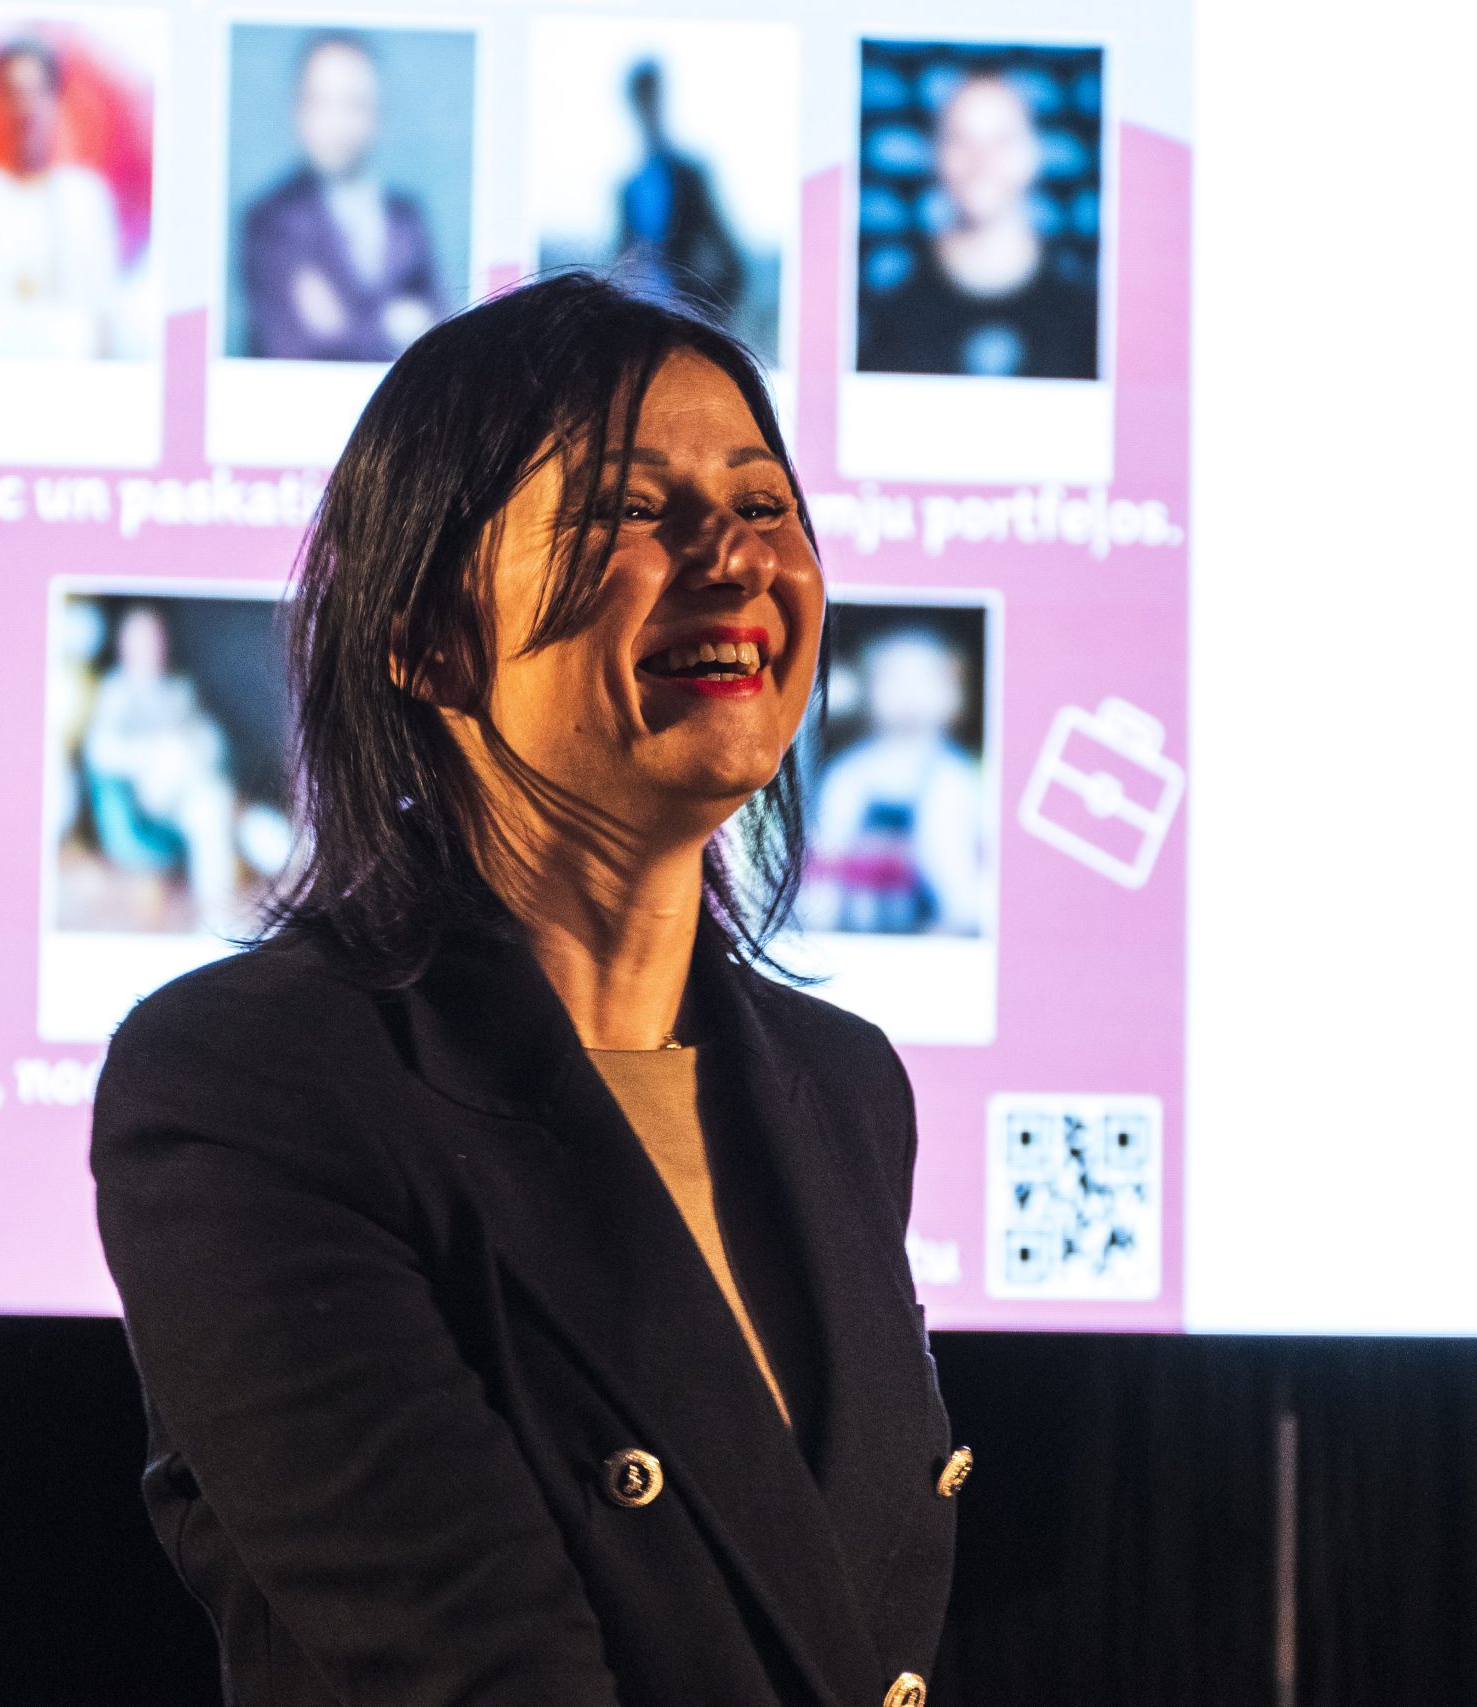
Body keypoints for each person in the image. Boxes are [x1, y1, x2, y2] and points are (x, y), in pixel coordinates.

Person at [94, 274, 960, 1706]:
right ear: (427, 633)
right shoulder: (252, 1084)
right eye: (632, 510)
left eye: (761, 502)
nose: (736, 558)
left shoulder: (846, 1084)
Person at [855, 69, 1097, 380]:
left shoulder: (1084, 314)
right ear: (936, 154)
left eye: (1001, 142)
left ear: (1034, 154)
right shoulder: (888, 312)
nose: (982, 162)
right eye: (961, 140)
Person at [237, 32, 448, 362]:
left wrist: (343, 323)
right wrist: (394, 326)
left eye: (354, 104)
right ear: (298, 111)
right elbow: (295, 348)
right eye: (322, 103)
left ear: (379, 113)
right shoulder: (270, 222)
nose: (338, 123)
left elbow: (441, 340)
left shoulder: (406, 218)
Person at [0, 38, 124, 359]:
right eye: (13, 93)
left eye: (36, 92)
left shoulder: (86, 197)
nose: (25, 108)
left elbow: (102, 308)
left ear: (55, 99)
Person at [802, 627, 989, 936]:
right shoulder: (848, 774)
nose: (909, 694)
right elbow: (824, 868)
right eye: (892, 678)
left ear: (953, 695)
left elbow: (966, 888)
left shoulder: (957, 778)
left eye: (925, 679)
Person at [80, 604, 243, 929]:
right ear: (126, 645)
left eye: (156, 638)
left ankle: (216, 921)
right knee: (183, 762)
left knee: (212, 806)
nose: (151, 647)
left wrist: (190, 745)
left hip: (190, 792)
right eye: (142, 640)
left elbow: (213, 742)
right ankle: (250, 820)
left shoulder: (179, 690)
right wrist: (156, 748)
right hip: (147, 803)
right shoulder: (117, 691)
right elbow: (101, 752)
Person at [608, 58, 746, 322]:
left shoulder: (690, 179)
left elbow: (733, 266)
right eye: (642, 102)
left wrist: (706, 319)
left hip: (683, 325)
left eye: (652, 100)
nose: (648, 111)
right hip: (638, 324)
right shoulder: (628, 190)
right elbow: (620, 265)